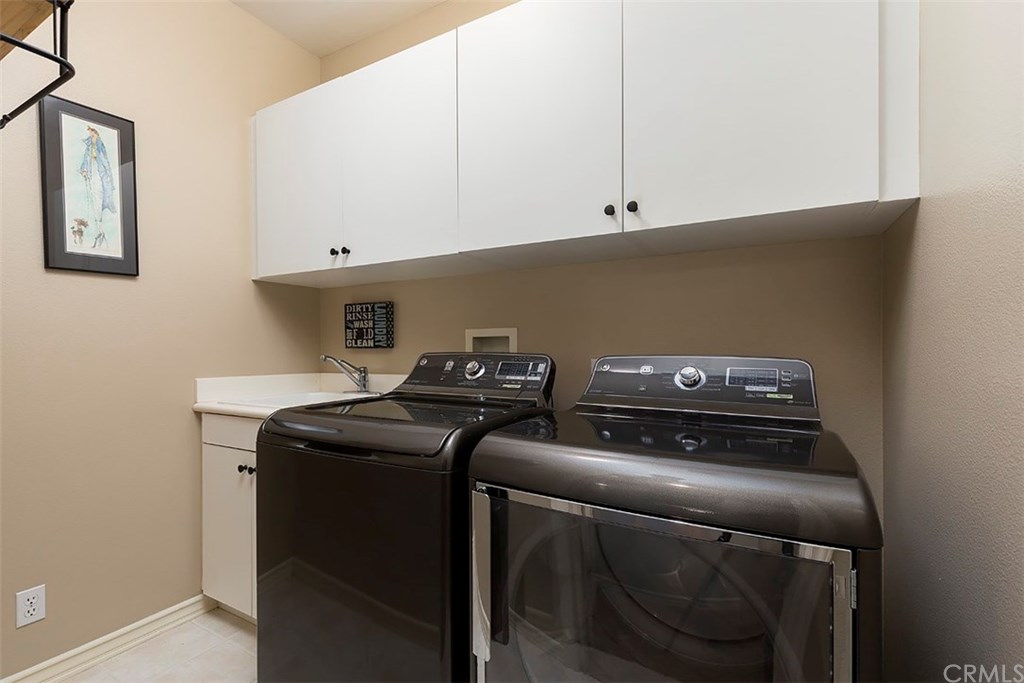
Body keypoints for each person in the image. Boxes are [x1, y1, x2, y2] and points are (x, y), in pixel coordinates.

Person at [79, 126, 117, 248]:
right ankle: (99, 231)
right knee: (94, 199)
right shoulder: (89, 147)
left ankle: (100, 231)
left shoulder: (100, 146)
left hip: (100, 174)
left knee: (99, 199)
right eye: (90, 135)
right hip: (92, 173)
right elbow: (85, 159)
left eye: (93, 134)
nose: (92, 137)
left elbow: (105, 161)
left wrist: (108, 176)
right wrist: (83, 170)